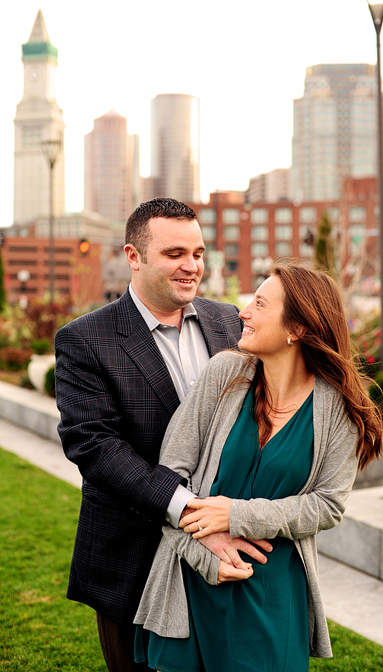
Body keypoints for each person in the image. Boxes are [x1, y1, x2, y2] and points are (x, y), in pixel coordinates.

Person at [132, 260, 383, 671]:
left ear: (297, 328)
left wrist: (235, 514)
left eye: (260, 304)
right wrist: (205, 549)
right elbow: (168, 476)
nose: (242, 312)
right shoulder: (224, 373)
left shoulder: (339, 408)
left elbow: (327, 505)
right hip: (192, 579)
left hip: (272, 594)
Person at [56, 198, 265, 672]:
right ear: (134, 256)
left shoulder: (229, 321)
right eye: (175, 254)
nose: (192, 267)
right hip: (132, 558)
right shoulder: (85, 340)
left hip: (226, 554)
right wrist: (194, 515)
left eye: (198, 252)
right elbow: (95, 446)